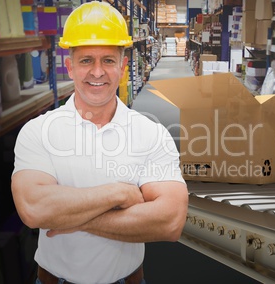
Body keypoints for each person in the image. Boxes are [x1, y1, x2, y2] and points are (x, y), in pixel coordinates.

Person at [11, 2, 188, 284]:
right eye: (86, 60)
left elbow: (170, 220)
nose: (97, 72)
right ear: (69, 67)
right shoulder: (38, 131)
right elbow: (34, 209)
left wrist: (71, 218)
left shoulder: (150, 133)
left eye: (107, 60)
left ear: (122, 66)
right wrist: (119, 194)